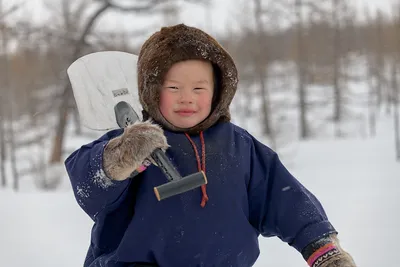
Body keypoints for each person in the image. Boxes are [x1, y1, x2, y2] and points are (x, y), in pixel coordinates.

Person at [65, 24, 357, 267]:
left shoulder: (239, 146)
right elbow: (89, 188)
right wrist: (121, 158)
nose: (186, 98)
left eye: (198, 88)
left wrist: (321, 248)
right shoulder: (133, 141)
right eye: (173, 88)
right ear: (151, 91)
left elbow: (285, 200)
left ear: (219, 91)